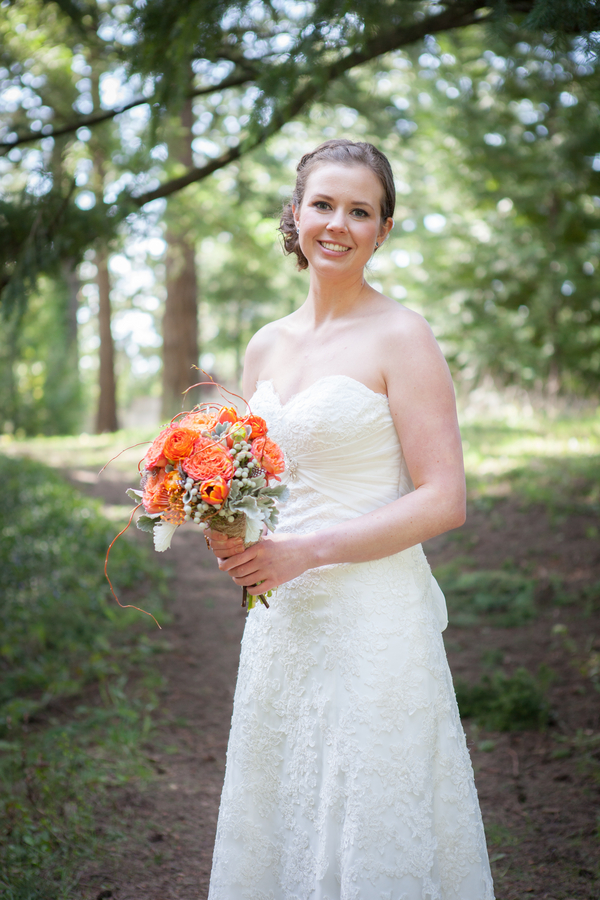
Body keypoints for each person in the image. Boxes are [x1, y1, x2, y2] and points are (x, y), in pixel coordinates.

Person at [205, 139, 495, 900]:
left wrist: (308, 551)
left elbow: (444, 498)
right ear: (295, 214)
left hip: (373, 614)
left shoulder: (403, 336)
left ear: (383, 230)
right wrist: (226, 525)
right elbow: (259, 483)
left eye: (360, 211)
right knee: (284, 810)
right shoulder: (265, 345)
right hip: (282, 617)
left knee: (373, 812)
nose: (338, 224)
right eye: (324, 204)